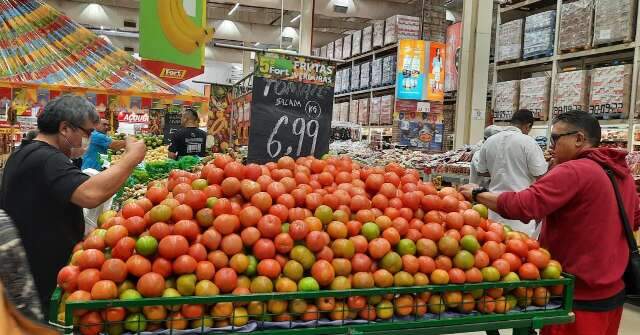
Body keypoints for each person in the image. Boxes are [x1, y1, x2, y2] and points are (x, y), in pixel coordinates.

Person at [460, 111, 639, 335]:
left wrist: (478, 194)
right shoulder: (622, 174)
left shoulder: (574, 170)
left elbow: (525, 205)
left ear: (579, 139)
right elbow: (633, 219)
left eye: (555, 138)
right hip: (613, 294)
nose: (550, 145)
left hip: (575, 293)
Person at [0, 95, 146, 318]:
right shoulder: (47, 159)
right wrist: (131, 158)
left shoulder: (23, 152)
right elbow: (90, 194)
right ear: (65, 128)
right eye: (87, 132)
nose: (89, 139)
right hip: (41, 277)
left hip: (27, 272)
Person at [475, 109, 547, 236]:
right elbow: (540, 175)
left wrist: (498, 171)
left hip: (493, 205)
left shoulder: (490, 141)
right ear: (528, 126)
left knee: (494, 246)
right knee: (520, 249)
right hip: (519, 209)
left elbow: (481, 172)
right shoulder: (528, 142)